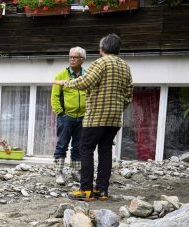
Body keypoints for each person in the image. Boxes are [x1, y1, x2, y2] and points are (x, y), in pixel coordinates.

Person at [54, 33, 133, 201]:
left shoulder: (100, 63)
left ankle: (86, 190)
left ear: (101, 49)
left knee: (86, 149)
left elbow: (85, 82)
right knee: (105, 151)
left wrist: (64, 83)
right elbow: (129, 94)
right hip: (114, 118)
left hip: (96, 116)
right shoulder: (125, 66)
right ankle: (102, 190)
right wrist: (119, 108)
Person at [51, 46, 87, 186]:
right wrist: (61, 113)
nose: (72, 60)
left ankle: (75, 171)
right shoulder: (61, 76)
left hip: (83, 117)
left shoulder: (87, 75)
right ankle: (59, 172)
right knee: (62, 145)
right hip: (66, 117)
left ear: (82, 60)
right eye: (70, 57)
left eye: (75, 57)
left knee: (78, 146)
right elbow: (54, 97)